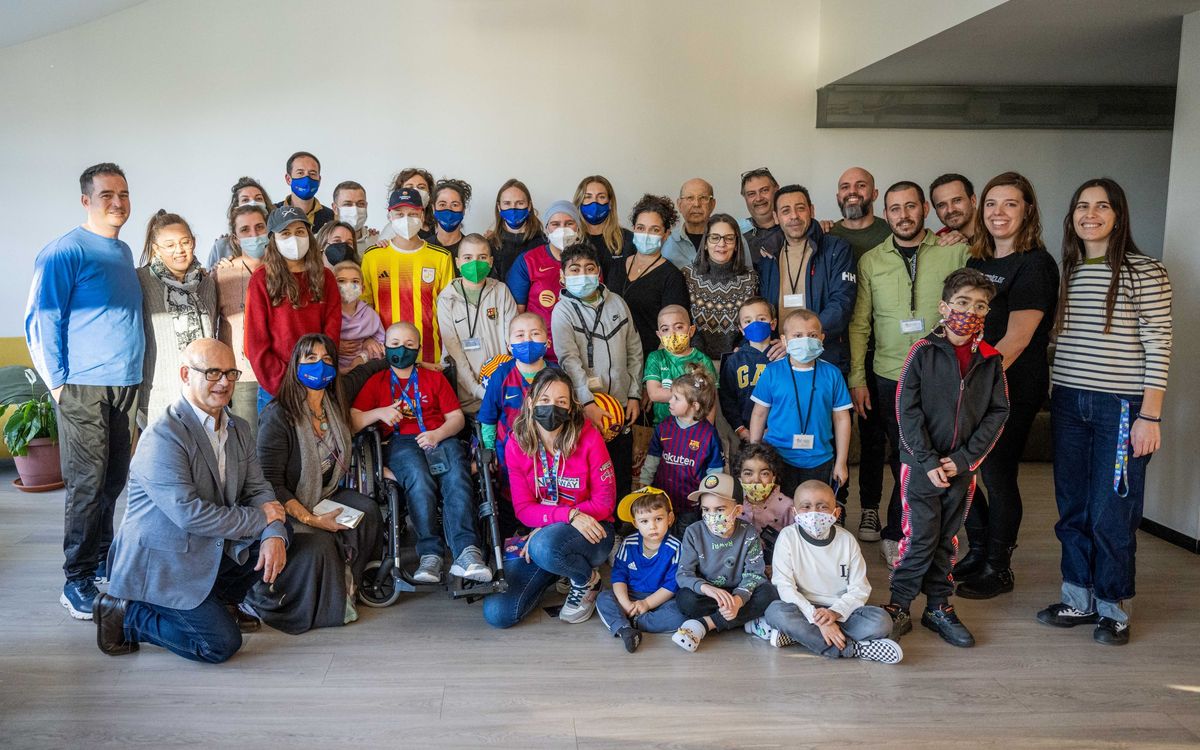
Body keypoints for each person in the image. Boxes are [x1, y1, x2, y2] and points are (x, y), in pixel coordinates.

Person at [1037, 178, 1172, 646]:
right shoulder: (1069, 269)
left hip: (1122, 409)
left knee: (1111, 512)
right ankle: (1078, 597)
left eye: (1101, 206)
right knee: (1071, 507)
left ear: (1118, 215)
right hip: (1069, 403)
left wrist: (1149, 417)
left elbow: (1159, 345)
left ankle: (1113, 607)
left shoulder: (1144, 271)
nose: (1089, 214)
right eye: (1081, 205)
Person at [93, 339, 287, 662]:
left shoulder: (237, 429)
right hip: (162, 563)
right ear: (186, 374)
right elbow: (191, 515)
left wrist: (274, 531)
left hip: (203, 548)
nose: (224, 382)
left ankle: (220, 603)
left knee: (279, 536)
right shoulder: (164, 435)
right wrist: (262, 518)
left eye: (230, 373)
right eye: (212, 373)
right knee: (221, 645)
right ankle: (127, 615)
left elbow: (259, 490)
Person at [26, 162, 144, 619]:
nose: (117, 203)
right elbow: (41, 320)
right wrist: (58, 385)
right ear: (85, 201)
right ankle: (75, 581)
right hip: (83, 387)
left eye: (124, 193)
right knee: (87, 485)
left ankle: (101, 566)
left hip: (124, 385)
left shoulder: (122, 250)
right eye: (106, 195)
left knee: (113, 481)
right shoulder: (63, 251)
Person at [884, 268, 1009, 649]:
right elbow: (907, 409)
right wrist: (927, 460)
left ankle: (938, 605)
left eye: (980, 306)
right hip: (921, 467)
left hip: (961, 470)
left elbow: (998, 412)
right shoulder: (921, 353)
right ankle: (899, 605)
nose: (969, 312)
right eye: (961, 303)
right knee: (920, 536)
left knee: (947, 540)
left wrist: (965, 459)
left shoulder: (990, 360)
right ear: (944, 306)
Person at [848, 181, 970, 564]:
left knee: (933, 455)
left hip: (940, 374)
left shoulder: (956, 253)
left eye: (910, 207)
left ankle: (928, 532)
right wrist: (857, 378)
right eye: (895, 208)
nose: (903, 215)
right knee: (899, 454)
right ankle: (898, 528)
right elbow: (859, 325)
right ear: (886, 214)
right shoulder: (871, 260)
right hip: (888, 373)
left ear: (924, 211)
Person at [957, 172, 1060, 599]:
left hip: (1011, 385)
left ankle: (999, 567)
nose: (999, 213)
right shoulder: (978, 260)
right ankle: (979, 551)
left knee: (997, 474)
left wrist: (973, 381)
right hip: (975, 382)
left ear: (1028, 210)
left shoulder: (1035, 263)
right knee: (965, 471)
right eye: (992, 204)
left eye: (1010, 204)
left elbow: (1016, 340)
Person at [250, 334, 384, 633]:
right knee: (320, 541)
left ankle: (347, 581)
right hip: (286, 504)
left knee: (368, 512)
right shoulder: (278, 416)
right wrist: (311, 519)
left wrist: (410, 358)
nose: (319, 366)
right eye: (310, 359)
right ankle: (320, 604)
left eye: (326, 360)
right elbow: (270, 484)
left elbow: (367, 371)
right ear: (295, 365)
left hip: (324, 493)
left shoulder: (335, 399)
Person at [350, 322, 491, 584]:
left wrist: (438, 434)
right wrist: (379, 413)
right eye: (394, 344)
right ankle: (430, 554)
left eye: (408, 345)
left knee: (457, 478)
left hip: (441, 437)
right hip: (401, 442)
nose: (401, 349)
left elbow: (457, 418)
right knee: (419, 478)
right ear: (385, 347)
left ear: (418, 350)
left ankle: (468, 553)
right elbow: (354, 420)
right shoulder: (376, 382)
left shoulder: (434, 378)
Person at [482, 369, 617, 628]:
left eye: (561, 402)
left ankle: (587, 580)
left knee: (544, 546)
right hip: (544, 533)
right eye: (544, 400)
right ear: (530, 401)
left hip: (594, 532)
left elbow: (604, 503)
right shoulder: (516, 443)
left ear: (571, 407)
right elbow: (523, 509)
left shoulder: (588, 437)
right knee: (498, 613)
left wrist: (564, 521)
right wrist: (567, 516)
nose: (552, 407)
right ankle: (560, 570)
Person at [751, 481, 902, 663]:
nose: (814, 513)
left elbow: (859, 588)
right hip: (802, 608)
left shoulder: (847, 541)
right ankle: (854, 649)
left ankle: (802, 636)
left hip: (839, 611)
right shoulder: (788, 537)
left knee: (882, 621)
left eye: (822, 507)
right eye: (806, 507)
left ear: (836, 512)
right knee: (775, 612)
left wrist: (834, 614)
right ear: (794, 512)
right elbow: (784, 586)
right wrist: (816, 618)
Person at [826, 167, 893, 544]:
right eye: (845, 186)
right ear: (837, 194)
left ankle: (870, 508)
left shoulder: (888, 231)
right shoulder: (828, 235)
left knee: (873, 432)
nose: (853, 193)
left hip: (879, 348)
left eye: (860, 186)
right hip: (837, 347)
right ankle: (837, 504)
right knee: (836, 433)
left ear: (874, 191)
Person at [551, 241, 644, 497]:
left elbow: (634, 350)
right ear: (562, 276)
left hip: (621, 406)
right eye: (574, 269)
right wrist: (587, 403)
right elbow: (568, 360)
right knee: (592, 477)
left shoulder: (618, 303)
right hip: (586, 410)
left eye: (589, 268)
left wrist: (635, 394)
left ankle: (622, 529)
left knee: (621, 472)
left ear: (599, 272)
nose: (582, 274)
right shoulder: (562, 311)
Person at [244, 205, 341, 411]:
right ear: (274, 239)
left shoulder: (326, 278)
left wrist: (315, 376)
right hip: (276, 388)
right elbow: (256, 344)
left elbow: (331, 335)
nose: (294, 239)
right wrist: (287, 385)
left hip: (318, 383)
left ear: (309, 234)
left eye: (299, 232)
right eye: (285, 233)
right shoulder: (261, 280)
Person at [754, 184, 857, 373]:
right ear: (776, 217)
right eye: (786, 210)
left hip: (825, 360)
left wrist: (799, 341)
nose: (794, 216)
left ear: (811, 210)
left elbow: (842, 304)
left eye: (800, 208)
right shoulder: (767, 256)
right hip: (780, 359)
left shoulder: (836, 249)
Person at [750, 310, 852, 497]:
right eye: (797, 335)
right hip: (777, 458)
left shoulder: (832, 374)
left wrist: (841, 462)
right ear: (785, 339)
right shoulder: (772, 372)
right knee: (778, 514)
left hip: (819, 459)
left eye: (812, 335)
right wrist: (754, 453)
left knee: (813, 510)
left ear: (822, 338)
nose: (806, 340)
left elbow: (842, 419)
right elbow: (759, 414)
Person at [671, 473, 777, 652]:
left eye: (719, 509)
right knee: (685, 600)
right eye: (706, 509)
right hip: (710, 594)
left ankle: (706, 624)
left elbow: (754, 574)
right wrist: (706, 588)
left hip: (741, 592)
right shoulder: (694, 532)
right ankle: (747, 622)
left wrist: (738, 600)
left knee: (769, 593)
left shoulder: (748, 533)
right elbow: (684, 574)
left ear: (737, 510)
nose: (711, 516)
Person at [136, 210, 218, 427]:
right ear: (156, 248)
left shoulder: (207, 283)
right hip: (160, 396)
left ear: (194, 242)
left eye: (185, 242)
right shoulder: (141, 280)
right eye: (170, 245)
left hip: (204, 395)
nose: (179, 250)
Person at [359, 187, 455, 369]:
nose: (406, 219)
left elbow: (449, 310)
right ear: (389, 216)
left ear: (422, 215)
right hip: (385, 354)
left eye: (412, 213)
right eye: (399, 213)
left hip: (430, 355)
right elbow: (364, 306)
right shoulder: (373, 256)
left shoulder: (441, 257)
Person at [596, 488, 686, 652]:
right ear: (635, 523)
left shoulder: (675, 547)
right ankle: (625, 630)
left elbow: (672, 584)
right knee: (603, 598)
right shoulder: (629, 544)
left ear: (670, 518)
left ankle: (636, 622)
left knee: (679, 614)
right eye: (644, 521)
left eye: (658, 518)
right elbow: (619, 576)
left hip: (660, 599)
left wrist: (647, 603)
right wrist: (626, 603)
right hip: (631, 595)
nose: (652, 526)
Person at [437, 234, 518, 414]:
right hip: (466, 397)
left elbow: (512, 341)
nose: (475, 263)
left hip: (503, 391)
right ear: (458, 262)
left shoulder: (501, 291)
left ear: (490, 262)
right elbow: (454, 351)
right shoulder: (446, 299)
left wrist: (507, 385)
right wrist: (478, 390)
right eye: (468, 258)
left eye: (482, 257)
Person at [639, 364, 724, 532]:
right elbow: (652, 459)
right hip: (661, 501)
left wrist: (709, 499)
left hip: (690, 507)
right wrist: (644, 483)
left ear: (695, 405)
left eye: (676, 398)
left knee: (686, 541)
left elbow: (715, 473)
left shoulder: (708, 434)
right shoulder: (664, 427)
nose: (670, 401)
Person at [604, 194, 690, 360]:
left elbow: (673, 330)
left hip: (649, 360)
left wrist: (655, 369)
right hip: (612, 358)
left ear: (666, 234)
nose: (646, 234)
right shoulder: (615, 266)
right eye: (641, 228)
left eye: (655, 229)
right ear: (634, 229)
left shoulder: (672, 277)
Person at [215, 204, 268, 434]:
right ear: (235, 238)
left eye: (259, 227)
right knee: (248, 446)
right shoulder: (223, 274)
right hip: (242, 377)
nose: (254, 235)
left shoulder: (282, 271)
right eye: (245, 230)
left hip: (279, 375)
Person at [506, 199, 581, 361]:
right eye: (555, 224)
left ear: (578, 228)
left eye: (569, 223)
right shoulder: (528, 261)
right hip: (540, 355)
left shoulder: (588, 263)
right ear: (546, 228)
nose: (562, 229)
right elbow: (517, 316)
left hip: (579, 352)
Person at [478, 313, 554, 466]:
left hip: (549, 447)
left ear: (548, 342)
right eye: (520, 335)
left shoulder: (557, 375)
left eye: (535, 333)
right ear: (509, 346)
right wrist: (490, 450)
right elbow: (488, 417)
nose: (527, 340)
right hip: (508, 449)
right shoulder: (500, 375)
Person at [682, 214, 760, 361]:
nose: (721, 244)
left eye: (729, 238)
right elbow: (683, 323)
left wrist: (741, 350)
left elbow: (754, 323)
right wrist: (703, 360)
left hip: (737, 360)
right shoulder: (687, 276)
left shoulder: (751, 278)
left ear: (737, 244)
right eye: (714, 237)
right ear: (705, 243)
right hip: (695, 361)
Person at [718, 297, 776, 444]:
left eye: (761, 318)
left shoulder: (780, 358)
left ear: (773, 324)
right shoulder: (733, 361)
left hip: (777, 432)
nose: (755, 324)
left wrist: (774, 428)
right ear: (741, 330)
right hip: (745, 432)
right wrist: (740, 429)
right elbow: (727, 399)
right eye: (748, 321)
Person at [733, 443, 795, 563]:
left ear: (774, 477)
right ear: (739, 476)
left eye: (764, 473)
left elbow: (794, 544)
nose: (756, 479)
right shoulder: (732, 504)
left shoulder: (788, 506)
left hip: (777, 565)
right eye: (748, 473)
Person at [202, 177, 273, 269]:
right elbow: (209, 276)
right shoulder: (222, 246)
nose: (253, 203)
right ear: (236, 207)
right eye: (245, 200)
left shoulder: (278, 239)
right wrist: (216, 271)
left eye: (258, 198)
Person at [487, 178, 546, 282]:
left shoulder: (543, 243)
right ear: (499, 207)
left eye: (520, 203)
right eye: (507, 203)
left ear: (529, 206)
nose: (513, 209)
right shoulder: (489, 244)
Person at [332, 261, 385, 374]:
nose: (348, 286)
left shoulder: (370, 315)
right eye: (341, 281)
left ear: (363, 288)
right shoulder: (327, 312)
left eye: (355, 281)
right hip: (332, 370)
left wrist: (362, 357)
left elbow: (381, 343)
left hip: (364, 369)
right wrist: (333, 345)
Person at [574, 175, 634, 272]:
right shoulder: (571, 239)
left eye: (601, 197)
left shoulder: (628, 239)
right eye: (588, 197)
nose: (594, 202)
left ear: (610, 203)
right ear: (579, 202)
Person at [662, 178, 717, 269]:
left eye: (703, 198)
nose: (696, 204)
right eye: (689, 198)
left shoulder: (730, 239)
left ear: (712, 204)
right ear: (679, 205)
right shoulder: (666, 241)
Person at [275, 151, 334, 233]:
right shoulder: (273, 213)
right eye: (300, 173)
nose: (307, 179)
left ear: (319, 180)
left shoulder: (331, 217)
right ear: (288, 179)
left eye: (312, 173)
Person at [738, 167, 781, 259]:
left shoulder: (793, 227)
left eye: (764, 190)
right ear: (744, 197)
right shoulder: (736, 232)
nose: (759, 198)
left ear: (776, 190)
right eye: (751, 194)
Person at [330, 180, 379, 257]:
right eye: (347, 204)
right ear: (335, 208)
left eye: (360, 204)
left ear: (366, 206)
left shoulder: (378, 242)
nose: (355, 210)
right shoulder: (321, 241)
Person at [430, 178, 472, 258]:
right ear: (433, 208)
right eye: (442, 204)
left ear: (463, 210)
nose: (448, 209)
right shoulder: (422, 247)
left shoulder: (473, 249)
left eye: (455, 205)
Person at [930, 173, 978, 242]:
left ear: (973, 201)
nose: (950, 210)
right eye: (942, 205)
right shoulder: (939, 240)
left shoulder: (995, 231)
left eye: (957, 200)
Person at [390, 166, 436, 234]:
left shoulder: (438, 225)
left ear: (429, 192)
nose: (416, 191)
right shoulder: (394, 229)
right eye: (409, 187)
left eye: (421, 187)